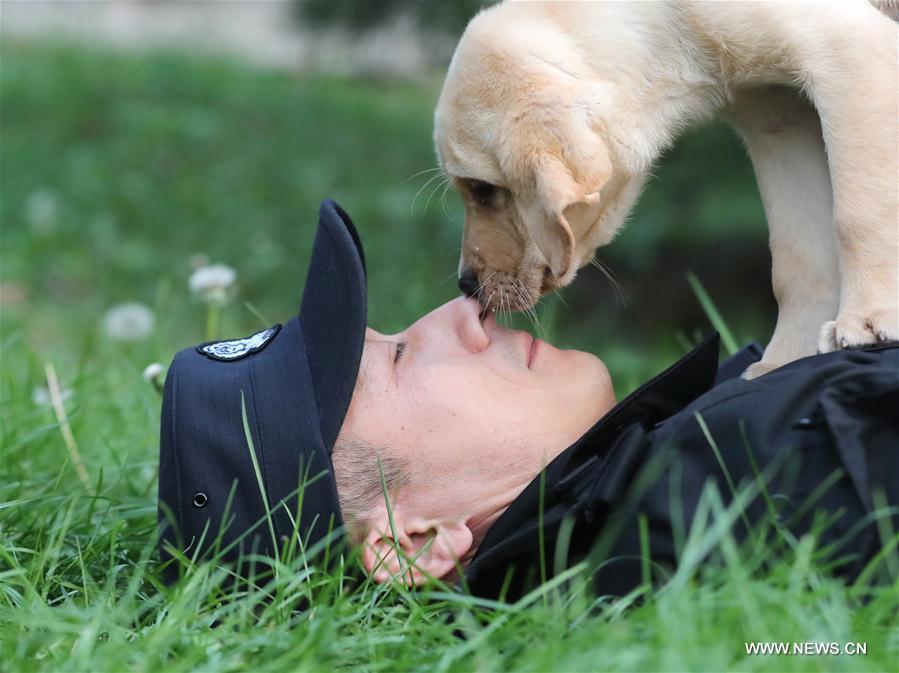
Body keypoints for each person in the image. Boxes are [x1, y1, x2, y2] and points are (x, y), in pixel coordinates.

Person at [157, 200, 899, 599]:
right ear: (412, 540)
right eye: (399, 357)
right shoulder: (741, 484)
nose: (462, 310)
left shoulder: (693, 478)